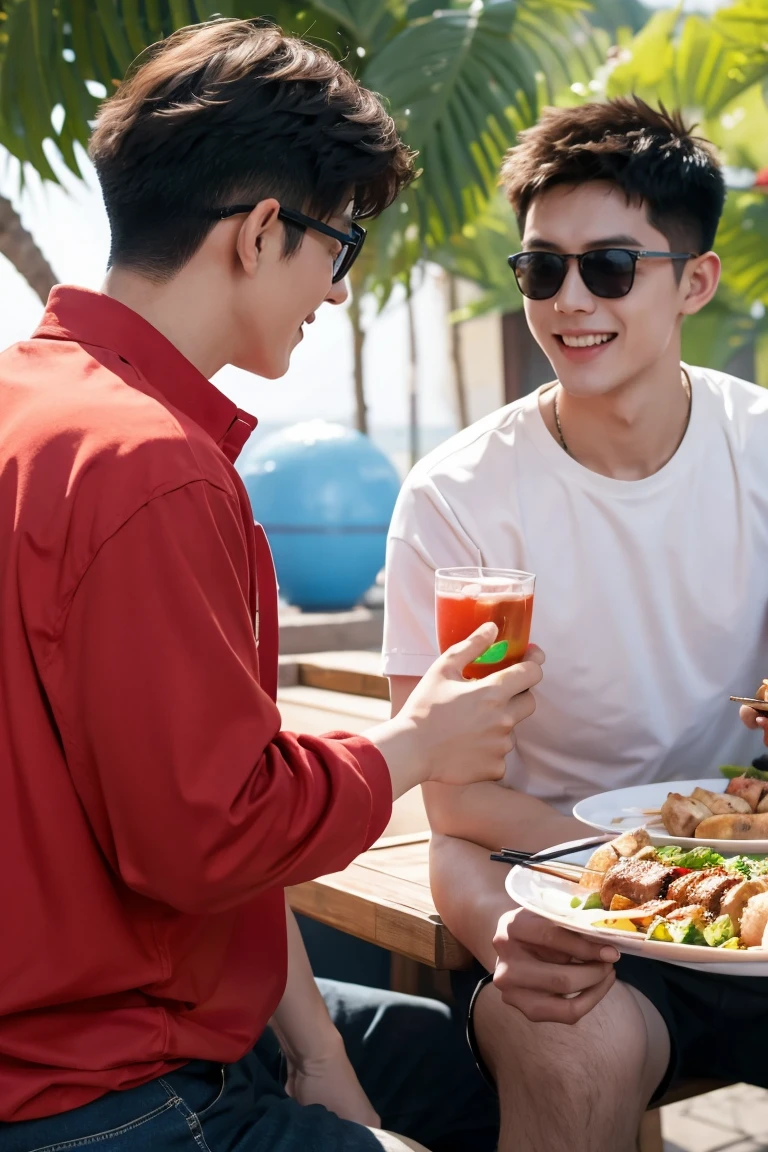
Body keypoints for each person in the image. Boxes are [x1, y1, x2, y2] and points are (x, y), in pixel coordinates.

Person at [0, 19, 545, 1152]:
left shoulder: (32, 404)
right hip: (101, 1079)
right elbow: (209, 838)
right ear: (259, 233)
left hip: (106, 1011)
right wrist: (417, 743)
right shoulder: (150, 468)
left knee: (445, 1063)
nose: (337, 292)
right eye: (337, 247)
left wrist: (317, 1052)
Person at [383, 97, 768, 1152]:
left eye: (608, 266)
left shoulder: (761, 452)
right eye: (541, 269)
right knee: (564, 1051)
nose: (568, 300)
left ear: (694, 280)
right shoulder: (461, 499)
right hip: (572, 900)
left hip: (756, 880)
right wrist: (545, 907)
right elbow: (456, 799)